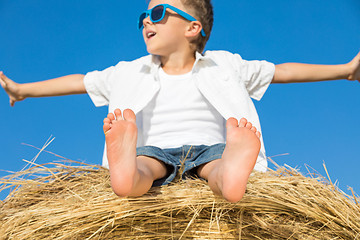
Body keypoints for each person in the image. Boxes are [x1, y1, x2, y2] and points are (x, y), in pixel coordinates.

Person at [1, 0, 359, 203]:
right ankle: (124, 176)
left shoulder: (226, 64)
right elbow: (79, 81)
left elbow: (282, 71)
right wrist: (22, 89)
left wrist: (345, 69)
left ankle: (231, 176)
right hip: (153, 147)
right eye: (144, 17)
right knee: (142, 167)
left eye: (157, 14)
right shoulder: (128, 71)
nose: (146, 22)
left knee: (218, 168)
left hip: (214, 148)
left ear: (193, 28)